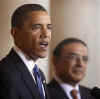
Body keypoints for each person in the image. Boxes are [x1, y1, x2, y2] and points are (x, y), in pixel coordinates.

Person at [0, 4, 52, 99]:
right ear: (15, 33)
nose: (46, 34)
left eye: (49, 27)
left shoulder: (39, 74)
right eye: (36, 27)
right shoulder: (4, 73)